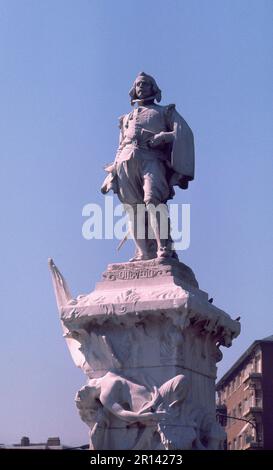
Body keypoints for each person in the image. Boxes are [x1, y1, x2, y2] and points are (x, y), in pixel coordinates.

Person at [101, 72, 194, 261]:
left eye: (145, 83)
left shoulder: (164, 111)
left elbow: (183, 133)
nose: (141, 86)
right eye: (138, 84)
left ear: (153, 88)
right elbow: (120, 145)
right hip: (126, 161)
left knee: (153, 202)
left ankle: (163, 248)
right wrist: (114, 169)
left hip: (152, 159)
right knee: (132, 208)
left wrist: (164, 137)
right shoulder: (126, 118)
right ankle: (143, 252)